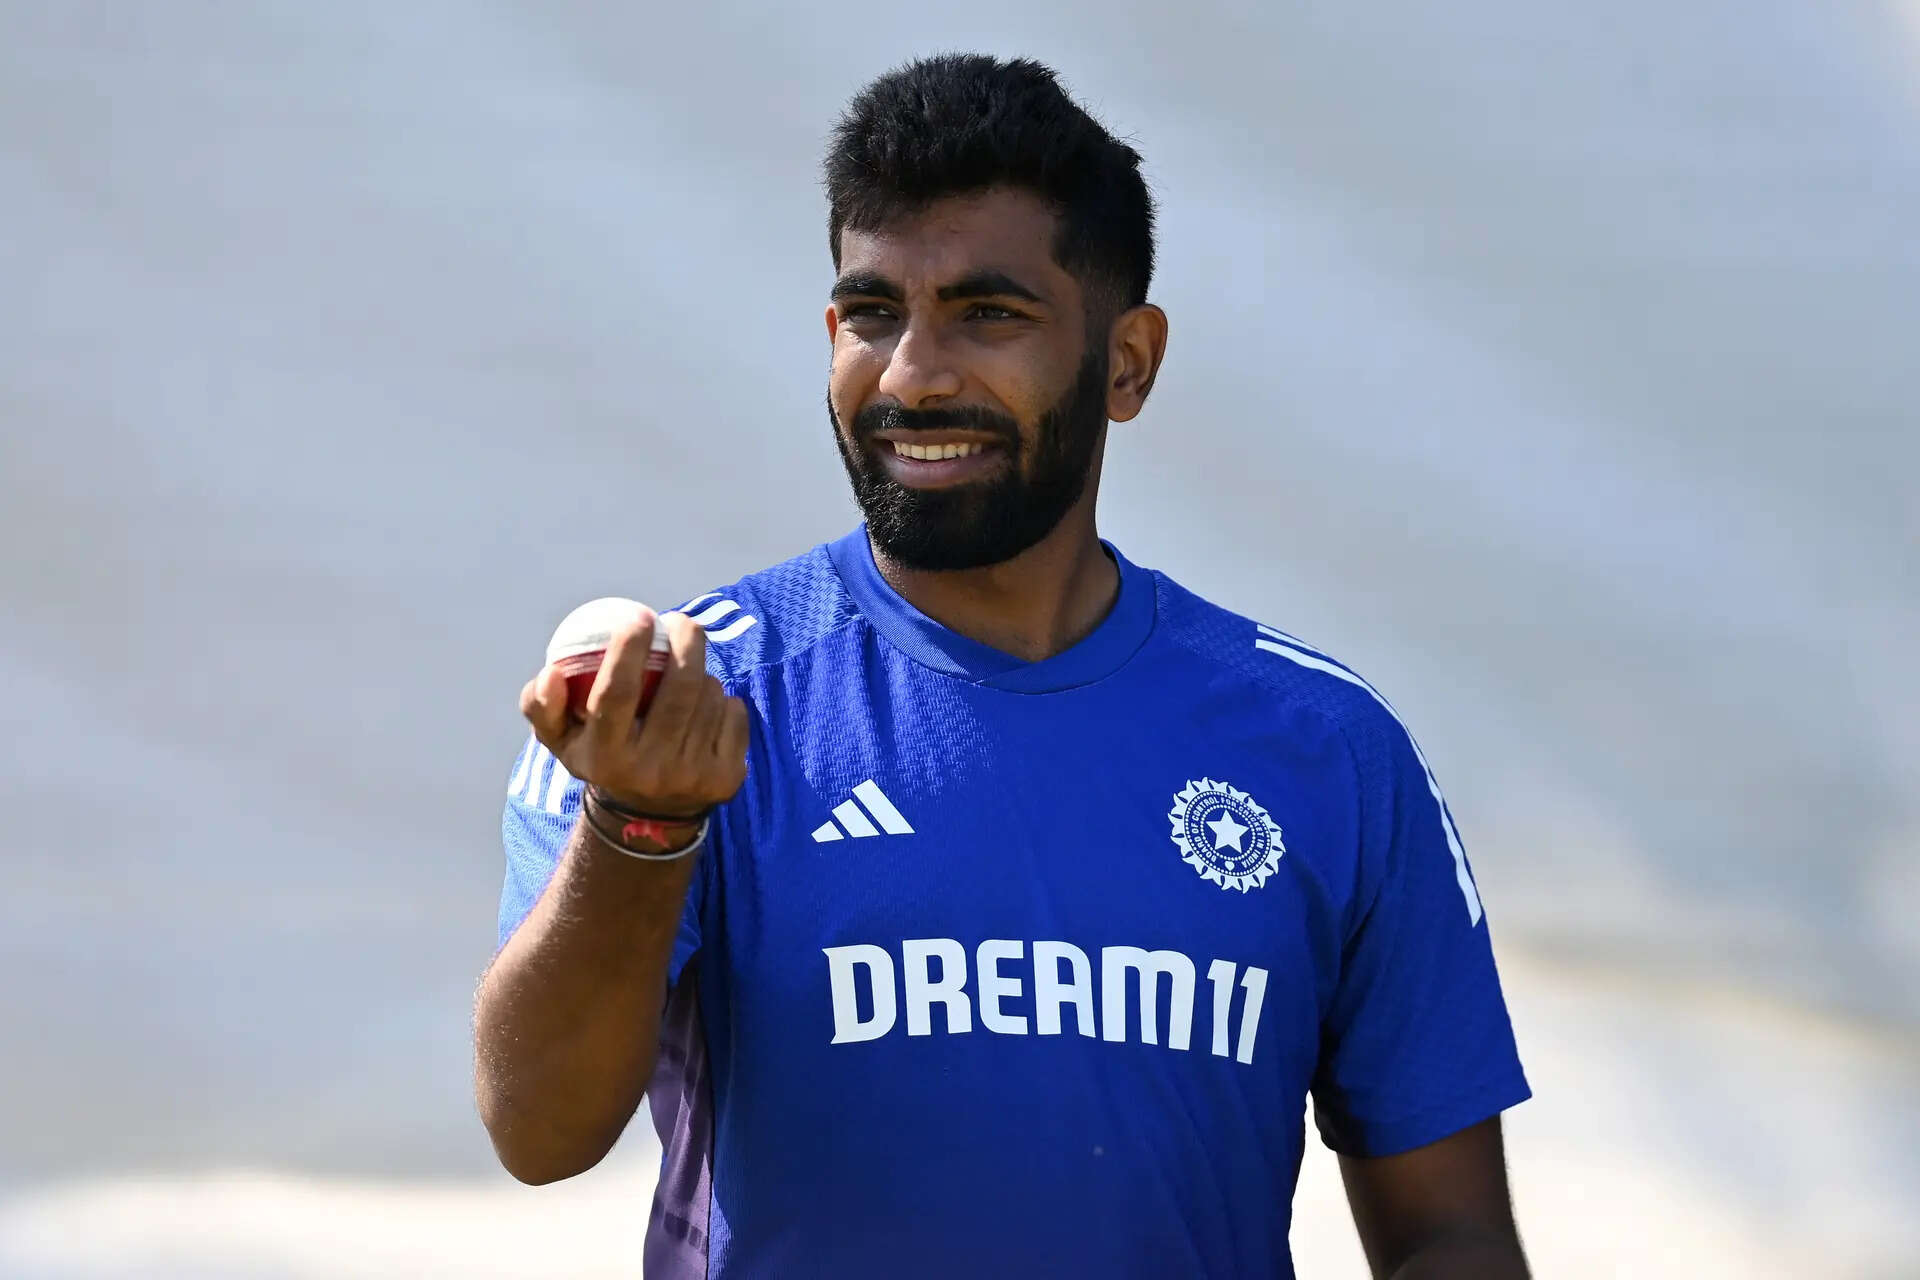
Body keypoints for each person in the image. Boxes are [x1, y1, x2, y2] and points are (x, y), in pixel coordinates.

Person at [475, 53, 1531, 1280]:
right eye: (874, 313)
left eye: (988, 314)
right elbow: (536, 1132)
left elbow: (1450, 1232)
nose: (913, 373)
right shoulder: (690, 707)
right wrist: (640, 827)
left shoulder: (1326, 744)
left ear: (1127, 362)